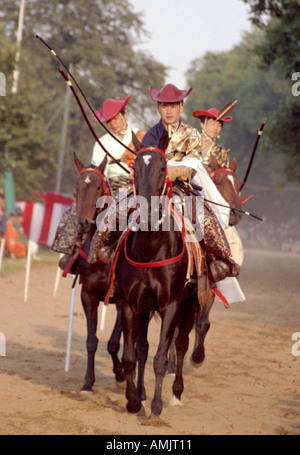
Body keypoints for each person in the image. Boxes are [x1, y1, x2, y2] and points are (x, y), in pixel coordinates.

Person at [141, 83, 240, 282]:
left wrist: (172, 170)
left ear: (181, 108)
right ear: (158, 108)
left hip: (183, 191)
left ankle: (219, 260)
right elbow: (146, 164)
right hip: (152, 191)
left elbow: (194, 165)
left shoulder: (192, 134)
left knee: (207, 220)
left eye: (173, 106)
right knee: (116, 214)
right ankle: (107, 258)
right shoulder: (150, 135)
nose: (169, 110)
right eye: (164, 106)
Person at [53, 95, 146, 270]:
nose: (113, 123)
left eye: (116, 118)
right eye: (109, 120)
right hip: (107, 188)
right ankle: (72, 251)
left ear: (125, 117)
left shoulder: (141, 137)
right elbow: (96, 171)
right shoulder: (101, 142)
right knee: (75, 210)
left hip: (134, 188)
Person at [192, 107, 232, 173]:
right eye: (212, 124)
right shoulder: (191, 143)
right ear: (202, 124)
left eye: (219, 125)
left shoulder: (221, 151)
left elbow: (223, 175)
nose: (216, 128)